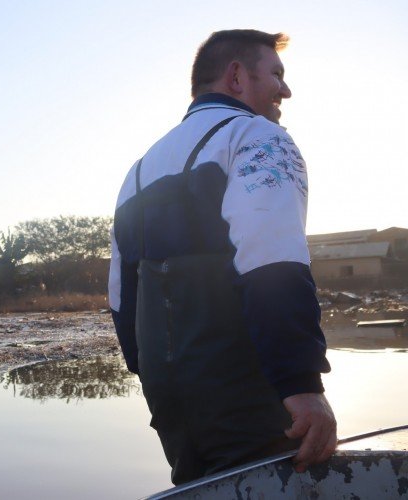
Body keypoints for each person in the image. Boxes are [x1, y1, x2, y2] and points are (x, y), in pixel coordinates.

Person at [108, 29, 337, 485]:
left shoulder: (138, 169)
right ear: (236, 76)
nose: (285, 90)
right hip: (245, 394)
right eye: (276, 74)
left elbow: (121, 300)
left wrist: (160, 382)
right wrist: (302, 386)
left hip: (170, 402)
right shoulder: (256, 137)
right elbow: (273, 263)